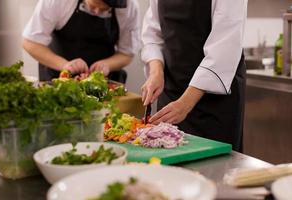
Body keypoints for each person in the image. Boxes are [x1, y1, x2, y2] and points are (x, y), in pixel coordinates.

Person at [141, 0, 247, 151]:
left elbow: (224, 48)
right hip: (172, 88)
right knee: (167, 164)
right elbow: (152, 34)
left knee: (213, 167)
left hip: (214, 101)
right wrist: (156, 71)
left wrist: (185, 103)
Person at [23, 0, 140, 83]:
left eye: (105, 9)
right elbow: (30, 43)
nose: (97, 12)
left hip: (102, 84)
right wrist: (65, 65)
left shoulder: (129, 6)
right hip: (58, 78)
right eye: (94, 5)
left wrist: (107, 65)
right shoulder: (58, 2)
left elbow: (127, 54)